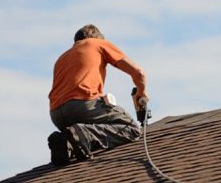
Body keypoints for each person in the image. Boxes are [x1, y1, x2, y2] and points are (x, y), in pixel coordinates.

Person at [48, 24, 148, 165]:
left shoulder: (62, 58)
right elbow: (138, 73)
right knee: (131, 128)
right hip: (82, 105)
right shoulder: (97, 43)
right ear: (96, 37)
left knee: (83, 135)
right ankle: (83, 133)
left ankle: (65, 144)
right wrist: (141, 92)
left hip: (57, 115)